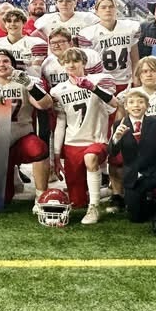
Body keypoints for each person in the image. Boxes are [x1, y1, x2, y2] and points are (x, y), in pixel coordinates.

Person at [0, 50, 52, 205]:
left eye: (5, 61)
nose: (2, 64)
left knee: (39, 149)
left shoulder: (25, 82)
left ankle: (41, 196)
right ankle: (13, 176)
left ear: (13, 65)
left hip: (21, 136)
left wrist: (29, 84)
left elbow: (45, 104)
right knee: (4, 199)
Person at [50, 48, 117, 225]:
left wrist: (93, 88)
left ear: (84, 62)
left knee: (91, 158)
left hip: (96, 140)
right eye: (67, 61)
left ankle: (94, 207)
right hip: (72, 144)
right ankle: (110, 191)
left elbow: (115, 104)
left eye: (75, 61)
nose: (71, 65)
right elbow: (60, 123)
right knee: (77, 201)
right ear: (62, 65)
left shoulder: (100, 80)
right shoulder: (58, 90)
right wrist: (56, 155)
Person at [107, 88, 156, 236]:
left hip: (153, 173)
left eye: (141, 102)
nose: (136, 105)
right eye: (132, 102)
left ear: (147, 106)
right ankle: (150, 203)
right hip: (132, 178)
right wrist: (116, 139)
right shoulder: (119, 125)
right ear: (126, 106)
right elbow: (112, 153)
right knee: (137, 218)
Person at [77, 0, 140, 94]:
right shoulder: (88, 34)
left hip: (126, 80)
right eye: (103, 7)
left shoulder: (130, 28)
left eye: (111, 7)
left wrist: (136, 78)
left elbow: (135, 58)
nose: (108, 10)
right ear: (97, 11)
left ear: (116, 10)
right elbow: (87, 64)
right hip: (101, 82)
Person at [0, 8, 48, 78]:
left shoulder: (36, 44)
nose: (12, 24)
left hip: (27, 85)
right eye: (9, 21)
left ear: (24, 23)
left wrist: (29, 66)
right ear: (5, 24)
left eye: (16, 21)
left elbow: (37, 76)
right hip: (4, 86)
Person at [31, 0, 98, 40]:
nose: (64, 4)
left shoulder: (87, 18)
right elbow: (33, 37)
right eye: (60, 1)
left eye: (68, 1)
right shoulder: (47, 20)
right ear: (56, 4)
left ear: (75, 3)